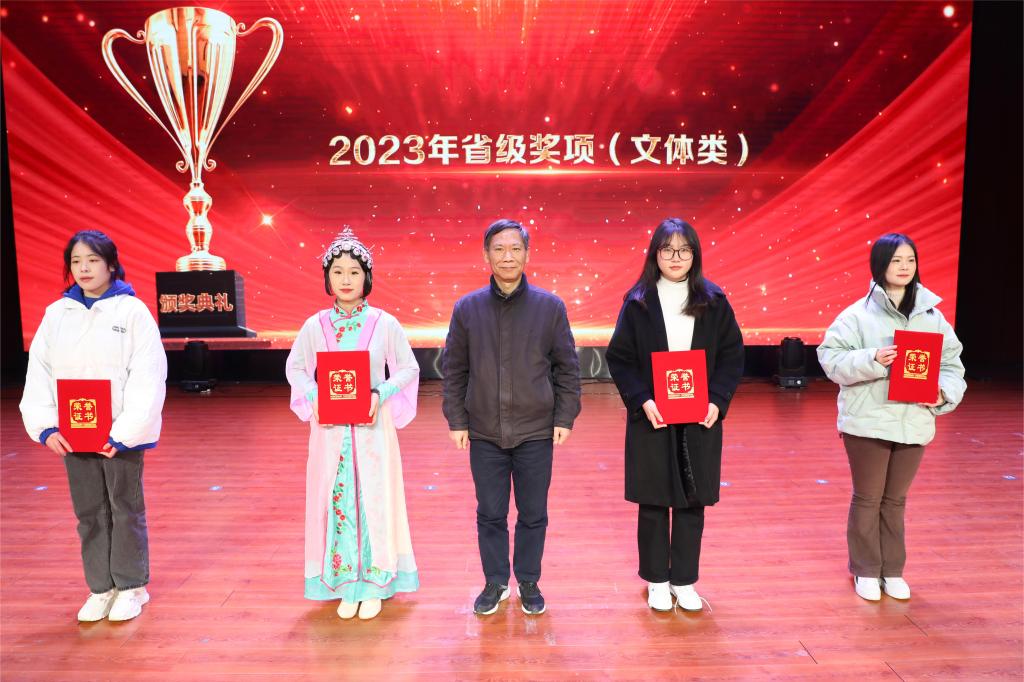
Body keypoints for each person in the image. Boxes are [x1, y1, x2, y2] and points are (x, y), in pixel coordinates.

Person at [20, 230, 167, 622]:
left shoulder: (132, 312)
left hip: (118, 434)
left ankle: (132, 586)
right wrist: (46, 426)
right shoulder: (57, 314)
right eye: (76, 261)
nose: (83, 268)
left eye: (92, 260)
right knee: (88, 511)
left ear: (111, 265)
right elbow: (39, 370)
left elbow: (148, 373)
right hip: (75, 431)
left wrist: (126, 432)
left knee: (124, 507)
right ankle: (101, 588)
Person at [442, 218, 581, 616]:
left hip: (536, 430)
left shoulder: (550, 307)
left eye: (515, 248)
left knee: (534, 513)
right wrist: (457, 420)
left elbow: (567, 368)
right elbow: (454, 369)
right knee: (490, 512)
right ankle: (496, 581)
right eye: (499, 249)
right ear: (486, 255)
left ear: (527, 255)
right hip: (484, 431)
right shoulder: (467, 309)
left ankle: (529, 580)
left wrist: (565, 416)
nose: (507, 256)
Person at [817, 233, 965, 602]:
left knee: (896, 500)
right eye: (896, 260)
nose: (904, 267)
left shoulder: (933, 317)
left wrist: (942, 393)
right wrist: (872, 359)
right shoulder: (856, 315)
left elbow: (952, 365)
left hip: (913, 419)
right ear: (879, 265)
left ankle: (893, 570)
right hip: (867, 420)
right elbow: (830, 359)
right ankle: (866, 569)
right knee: (868, 497)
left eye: (910, 260)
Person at [606, 218, 743, 612]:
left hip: (700, 416)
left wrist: (717, 400)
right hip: (653, 415)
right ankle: (656, 580)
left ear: (694, 255)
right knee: (652, 500)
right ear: (655, 255)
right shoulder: (638, 302)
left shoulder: (714, 300)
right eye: (667, 250)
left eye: (684, 250)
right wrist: (642, 400)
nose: (676, 257)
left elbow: (732, 355)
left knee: (692, 500)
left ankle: (684, 580)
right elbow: (620, 358)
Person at [286, 227, 420, 620]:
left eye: (354, 272)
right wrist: (315, 396)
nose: (346, 279)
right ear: (328, 277)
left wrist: (381, 393)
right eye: (338, 272)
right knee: (336, 498)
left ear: (367, 278)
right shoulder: (315, 326)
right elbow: (296, 368)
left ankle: (376, 583)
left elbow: (409, 367)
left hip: (373, 430)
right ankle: (346, 583)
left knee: (374, 498)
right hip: (330, 433)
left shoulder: (384, 323)